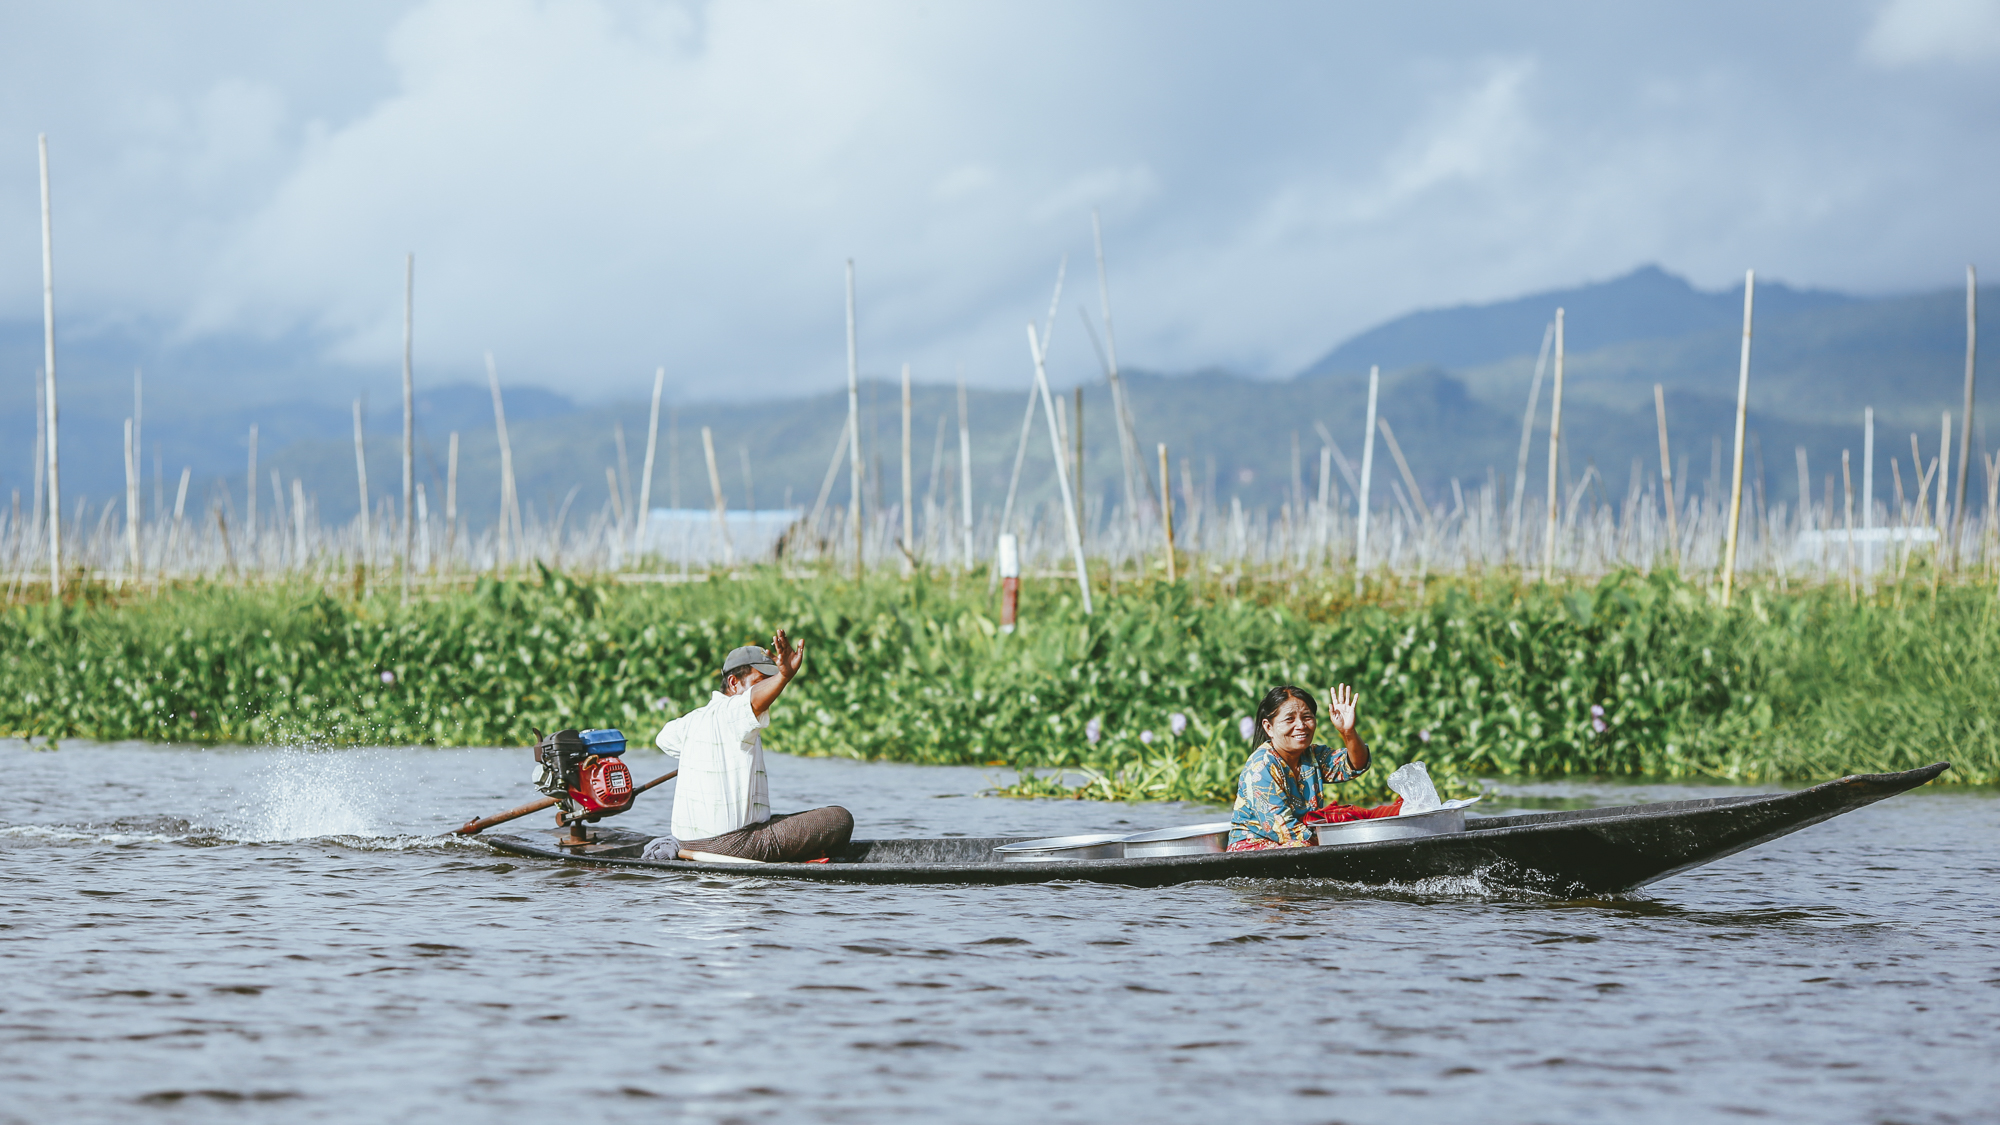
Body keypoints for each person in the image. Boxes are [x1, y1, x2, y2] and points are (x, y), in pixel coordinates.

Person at [644, 629, 854, 863]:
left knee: (782, 820)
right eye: (760, 683)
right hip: (734, 844)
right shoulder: (734, 711)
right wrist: (784, 677)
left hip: (688, 843)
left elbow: (663, 739)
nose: (770, 690)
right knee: (839, 818)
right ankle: (807, 857)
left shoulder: (690, 721)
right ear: (733, 683)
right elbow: (751, 701)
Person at [1227, 683, 1373, 851]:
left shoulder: (1312, 755)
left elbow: (1355, 765)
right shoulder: (1261, 766)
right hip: (1255, 847)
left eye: (1307, 717)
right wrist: (1340, 842)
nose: (1301, 725)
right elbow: (1282, 829)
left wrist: (1348, 731)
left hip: (1302, 843)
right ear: (1269, 727)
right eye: (1290, 719)